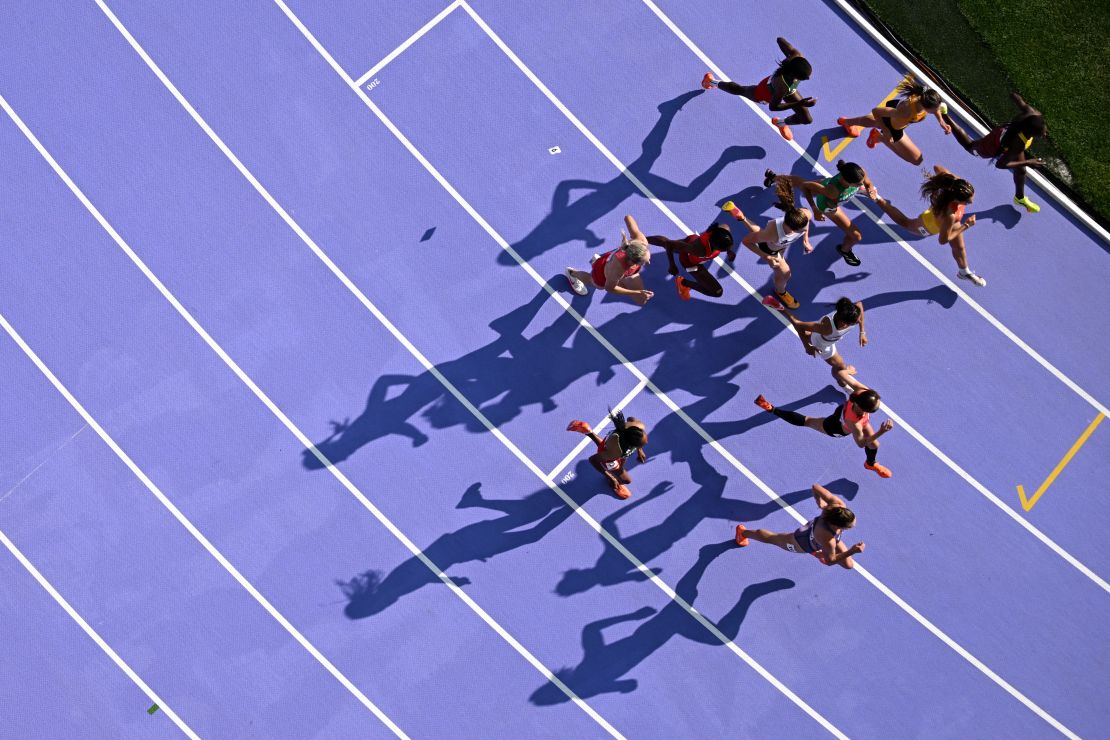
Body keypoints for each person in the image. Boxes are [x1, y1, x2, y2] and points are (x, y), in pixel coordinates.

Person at [873, 166, 986, 286]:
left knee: (960, 247)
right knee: (905, 223)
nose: (971, 203)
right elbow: (943, 240)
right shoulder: (949, 215)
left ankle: (964, 272)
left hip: (948, 218)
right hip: (930, 224)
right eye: (967, 202)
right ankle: (876, 197)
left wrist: (948, 178)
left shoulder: (954, 185)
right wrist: (967, 225)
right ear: (956, 199)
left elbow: (937, 167)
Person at [941, 92, 1047, 213]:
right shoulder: (1017, 144)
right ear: (1030, 132)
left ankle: (1019, 198)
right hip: (994, 144)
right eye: (1041, 134)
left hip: (1008, 137)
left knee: (1021, 170)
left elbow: (1015, 97)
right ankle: (945, 115)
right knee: (970, 146)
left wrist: (1015, 97)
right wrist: (1028, 162)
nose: (1044, 134)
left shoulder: (1032, 114)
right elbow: (1000, 164)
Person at [753, 387, 894, 477]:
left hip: (845, 413)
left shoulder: (860, 393)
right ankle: (772, 409)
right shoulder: (855, 424)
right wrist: (881, 431)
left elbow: (842, 374)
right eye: (874, 409)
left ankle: (870, 464)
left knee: (875, 445)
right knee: (807, 421)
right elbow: (861, 443)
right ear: (865, 410)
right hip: (835, 427)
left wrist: (846, 375)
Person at [700, 37, 815, 141]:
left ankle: (780, 123)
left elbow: (779, 40)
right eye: (804, 78)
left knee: (806, 119)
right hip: (765, 93)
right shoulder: (781, 85)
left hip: (789, 91)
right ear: (794, 75)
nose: (808, 78)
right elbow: (773, 107)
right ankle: (710, 81)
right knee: (741, 90)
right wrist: (798, 103)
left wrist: (790, 56)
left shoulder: (796, 56)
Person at [765, 161, 877, 266]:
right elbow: (806, 187)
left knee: (801, 182)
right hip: (828, 206)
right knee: (856, 236)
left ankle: (774, 178)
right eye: (858, 184)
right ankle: (844, 250)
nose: (862, 184)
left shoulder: (859, 172)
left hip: (827, 185)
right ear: (847, 181)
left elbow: (868, 183)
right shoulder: (832, 191)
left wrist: (870, 189)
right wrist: (815, 209)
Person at [735, 483, 864, 569]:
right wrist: (852, 551)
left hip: (818, 537)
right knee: (772, 539)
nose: (850, 528)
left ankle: (817, 552)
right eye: (848, 527)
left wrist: (819, 502)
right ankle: (743, 533)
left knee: (849, 565)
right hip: (801, 542)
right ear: (837, 524)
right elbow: (830, 561)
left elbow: (816, 487)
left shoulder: (837, 504)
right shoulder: (828, 539)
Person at [836, 74, 952, 165]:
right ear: (926, 107)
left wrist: (941, 122)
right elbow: (876, 111)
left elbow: (936, 107)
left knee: (874, 122)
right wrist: (886, 130)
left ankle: (848, 122)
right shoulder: (905, 112)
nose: (938, 110)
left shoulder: (926, 96)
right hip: (892, 125)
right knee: (915, 160)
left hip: (897, 120)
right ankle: (878, 136)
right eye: (934, 109)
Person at [733, 178, 812, 309]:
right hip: (771, 250)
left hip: (777, 243)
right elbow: (747, 242)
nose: (805, 229)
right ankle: (780, 292)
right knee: (786, 273)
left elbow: (806, 222)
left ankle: (742, 217)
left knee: (760, 234)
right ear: (792, 228)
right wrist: (767, 257)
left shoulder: (804, 215)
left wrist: (805, 240)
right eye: (801, 229)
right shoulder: (773, 234)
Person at [566, 215, 654, 305]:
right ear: (632, 261)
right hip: (603, 274)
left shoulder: (641, 241)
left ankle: (597, 261)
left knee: (638, 297)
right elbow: (610, 288)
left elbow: (627, 218)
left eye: (648, 257)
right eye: (644, 262)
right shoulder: (618, 270)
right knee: (596, 284)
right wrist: (637, 292)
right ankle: (572, 274)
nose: (648, 262)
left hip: (610, 261)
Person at [566, 409, 649, 499]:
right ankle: (614, 483)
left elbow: (630, 418)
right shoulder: (616, 452)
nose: (647, 442)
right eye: (641, 444)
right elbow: (593, 460)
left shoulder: (638, 427)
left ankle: (588, 431)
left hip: (609, 444)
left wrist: (639, 449)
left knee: (606, 449)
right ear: (631, 444)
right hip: (609, 454)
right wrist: (610, 477)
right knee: (626, 480)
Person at [648, 222, 737, 300]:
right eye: (724, 249)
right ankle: (683, 283)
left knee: (671, 244)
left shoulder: (721, 231)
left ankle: (642, 239)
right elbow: (669, 244)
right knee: (717, 292)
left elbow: (725, 227)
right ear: (716, 246)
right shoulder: (699, 250)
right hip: (689, 262)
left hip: (691, 240)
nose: (726, 250)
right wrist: (672, 265)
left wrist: (729, 250)